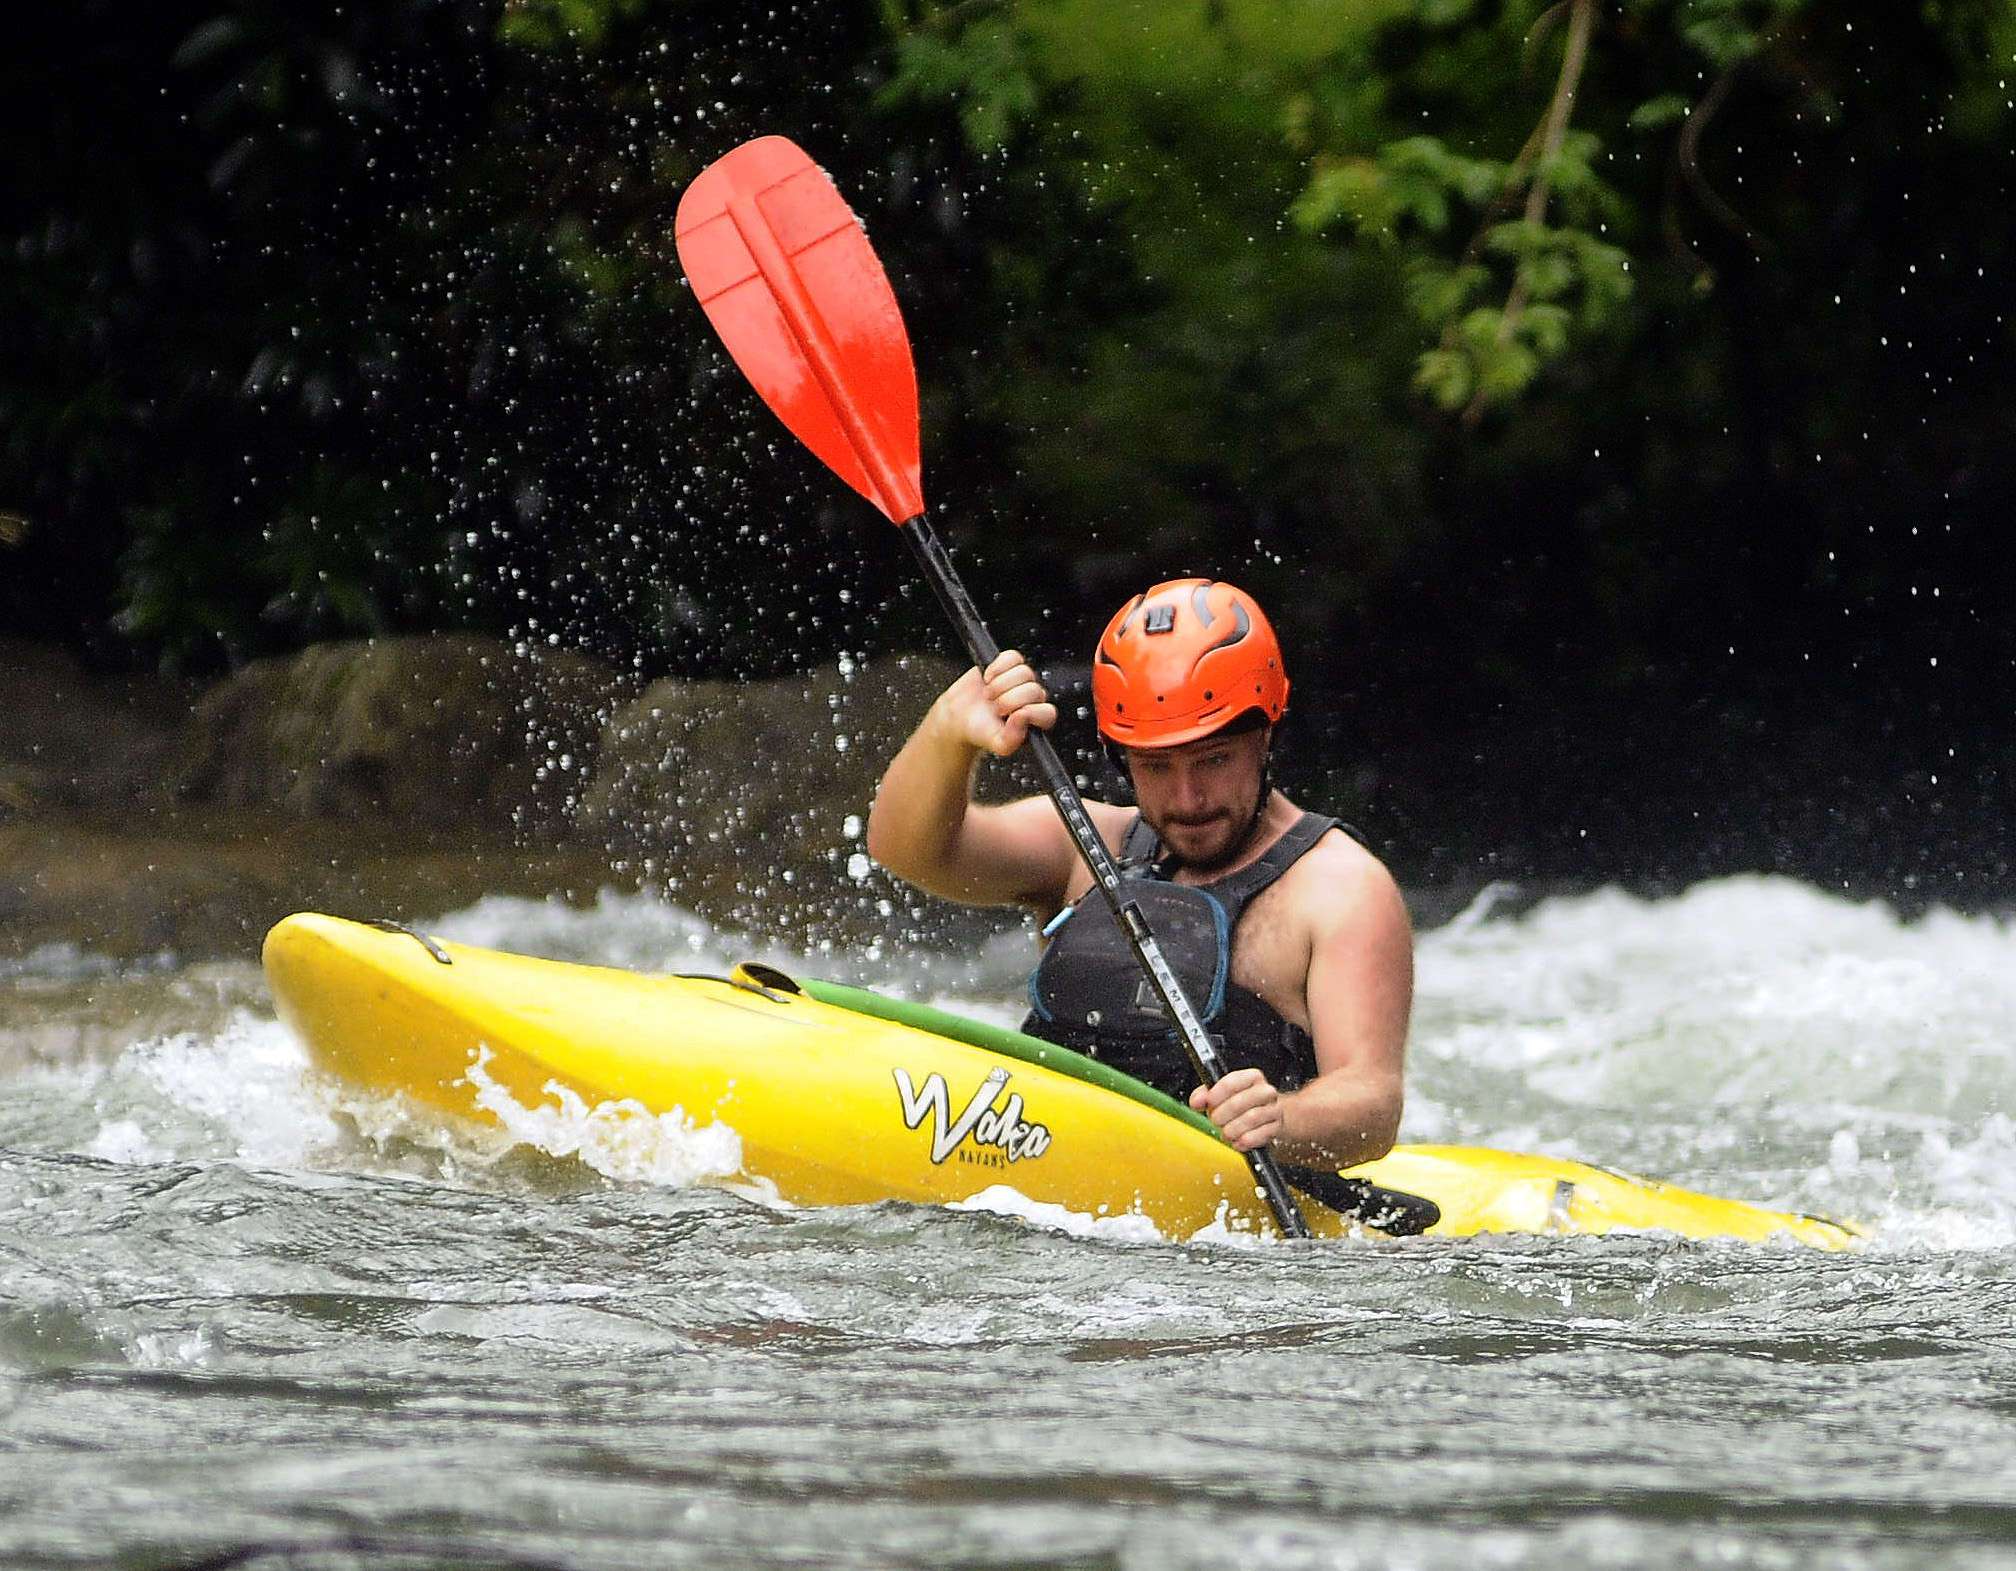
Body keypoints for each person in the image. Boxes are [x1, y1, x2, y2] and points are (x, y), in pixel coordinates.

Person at [867, 578, 1411, 1172]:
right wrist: (948, 736)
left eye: (1213, 760)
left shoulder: (1341, 888)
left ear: (1267, 733)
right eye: (1155, 767)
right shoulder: (1084, 845)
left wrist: (1280, 1119)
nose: (1187, 797)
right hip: (1050, 1184)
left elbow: (1371, 1102)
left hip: (1222, 1228)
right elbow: (907, 851)